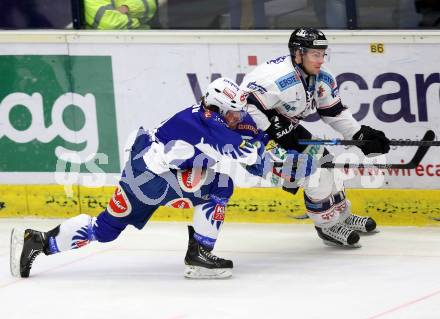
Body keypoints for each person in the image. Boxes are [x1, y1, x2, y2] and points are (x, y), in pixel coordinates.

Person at [10, 77, 275, 280]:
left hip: (142, 171)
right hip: (151, 180)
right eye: (232, 112)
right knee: (221, 185)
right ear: (216, 108)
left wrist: (266, 138)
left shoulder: (207, 116)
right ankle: (199, 256)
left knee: (104, 230)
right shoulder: (209, 124)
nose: (236, 118)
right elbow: (253, 159)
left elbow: (247, 139)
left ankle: (39, 241)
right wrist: (293, 157)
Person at [240, 27, 391, 248]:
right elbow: (243, 105)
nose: (321, 60)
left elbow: (333, 111)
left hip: (286, 130)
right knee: (314, 175)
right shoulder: (275, 79)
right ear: (298, 53)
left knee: (326, 163)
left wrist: (358, 135)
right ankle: (327, 226)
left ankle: (341, 216)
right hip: (253, 141)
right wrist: (271, 139)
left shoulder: (320, 76)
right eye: (315, 54)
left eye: (323, 54)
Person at [84, 0, 157, 29]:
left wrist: (126, 7)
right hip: (107, 46)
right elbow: (111, 23)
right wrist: (138, 22)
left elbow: (150, 5)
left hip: (144, 41)